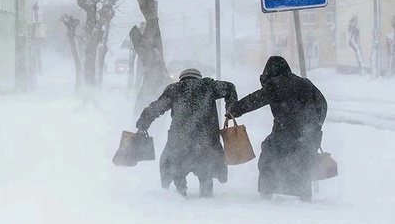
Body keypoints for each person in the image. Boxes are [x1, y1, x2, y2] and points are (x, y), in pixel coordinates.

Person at [227, 56, 327, 202]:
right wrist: (315, 125)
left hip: (285, 132)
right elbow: (322, 104)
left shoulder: (275, 84)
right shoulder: (305, 83)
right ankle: (305, 198)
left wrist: (234, 110)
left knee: (269, 157)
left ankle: (266, 195)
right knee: (302, 163)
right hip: (307, 135)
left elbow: (255, 100)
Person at [136, 67, 238, 198]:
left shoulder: (174, 89)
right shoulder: (209, 86)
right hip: (205, 139)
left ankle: (181, 195)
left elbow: (157, 107)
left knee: (177, 168)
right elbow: (230, 87)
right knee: (205, 172)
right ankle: (206, 198)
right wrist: (231, 109)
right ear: (198, 77)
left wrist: (143, 123)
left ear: (181, 78)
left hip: (180, 139)